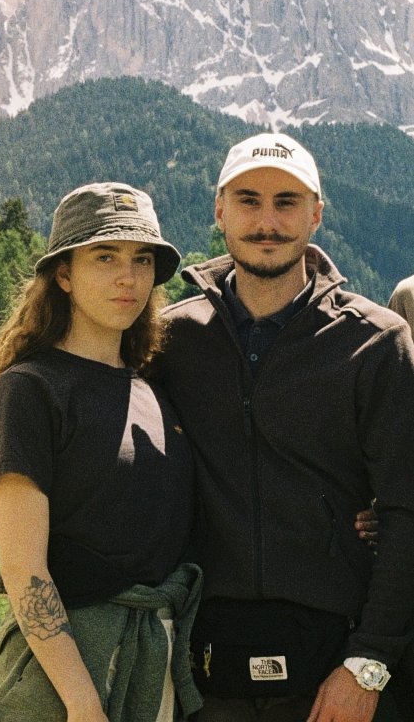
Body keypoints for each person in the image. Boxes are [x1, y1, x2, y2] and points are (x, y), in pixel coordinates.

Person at [150, 132, 414, 722]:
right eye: (248, 200)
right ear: (219, 210)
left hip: (339, 666)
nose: (267, 222)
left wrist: (369, 662)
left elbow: (406, 510)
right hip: (204, 668)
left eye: (286, 202)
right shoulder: (170, 340)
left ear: (316, 214)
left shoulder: (375, 342)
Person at [0, 181, 204, 722]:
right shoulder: (28, 390)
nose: (127, 277)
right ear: (63, 275)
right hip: (62, 673)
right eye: (105, 257)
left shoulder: (152, 389)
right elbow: (24, 568)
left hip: (151, 658)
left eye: (142, 259)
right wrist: (82, 701)